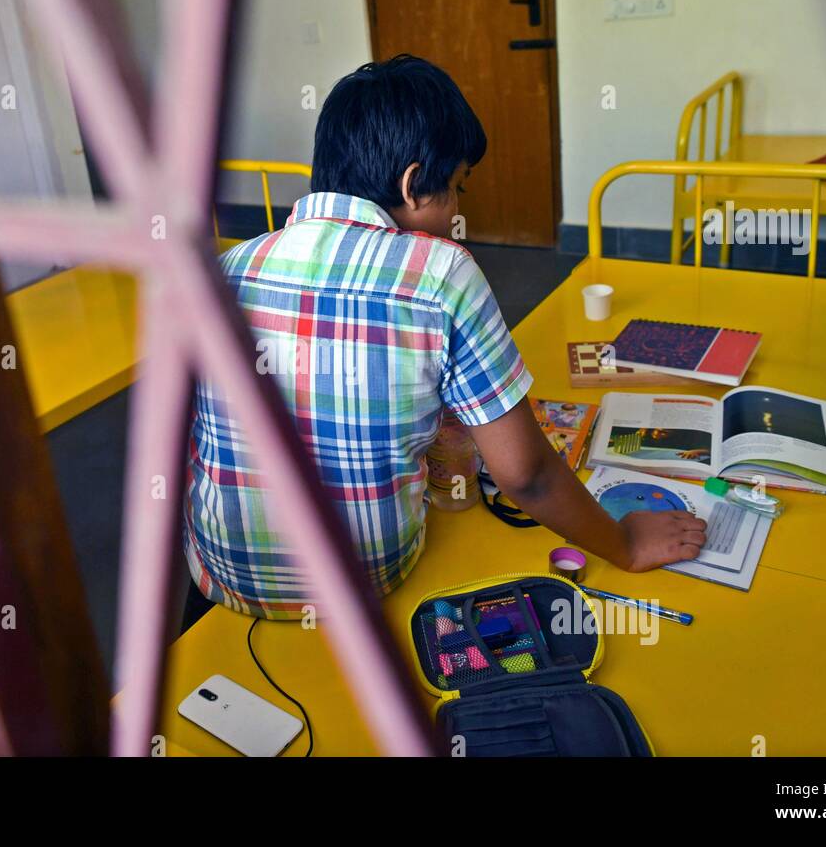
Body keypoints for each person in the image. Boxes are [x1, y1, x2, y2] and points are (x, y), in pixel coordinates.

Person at [182, 55, 705, 621]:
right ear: (412, 185)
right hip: (365, 581)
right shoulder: (441, 272)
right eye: (456, 188)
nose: (458, 210)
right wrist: (625, 544)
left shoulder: (229, 266)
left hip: (221, 577)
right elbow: (524, 475)